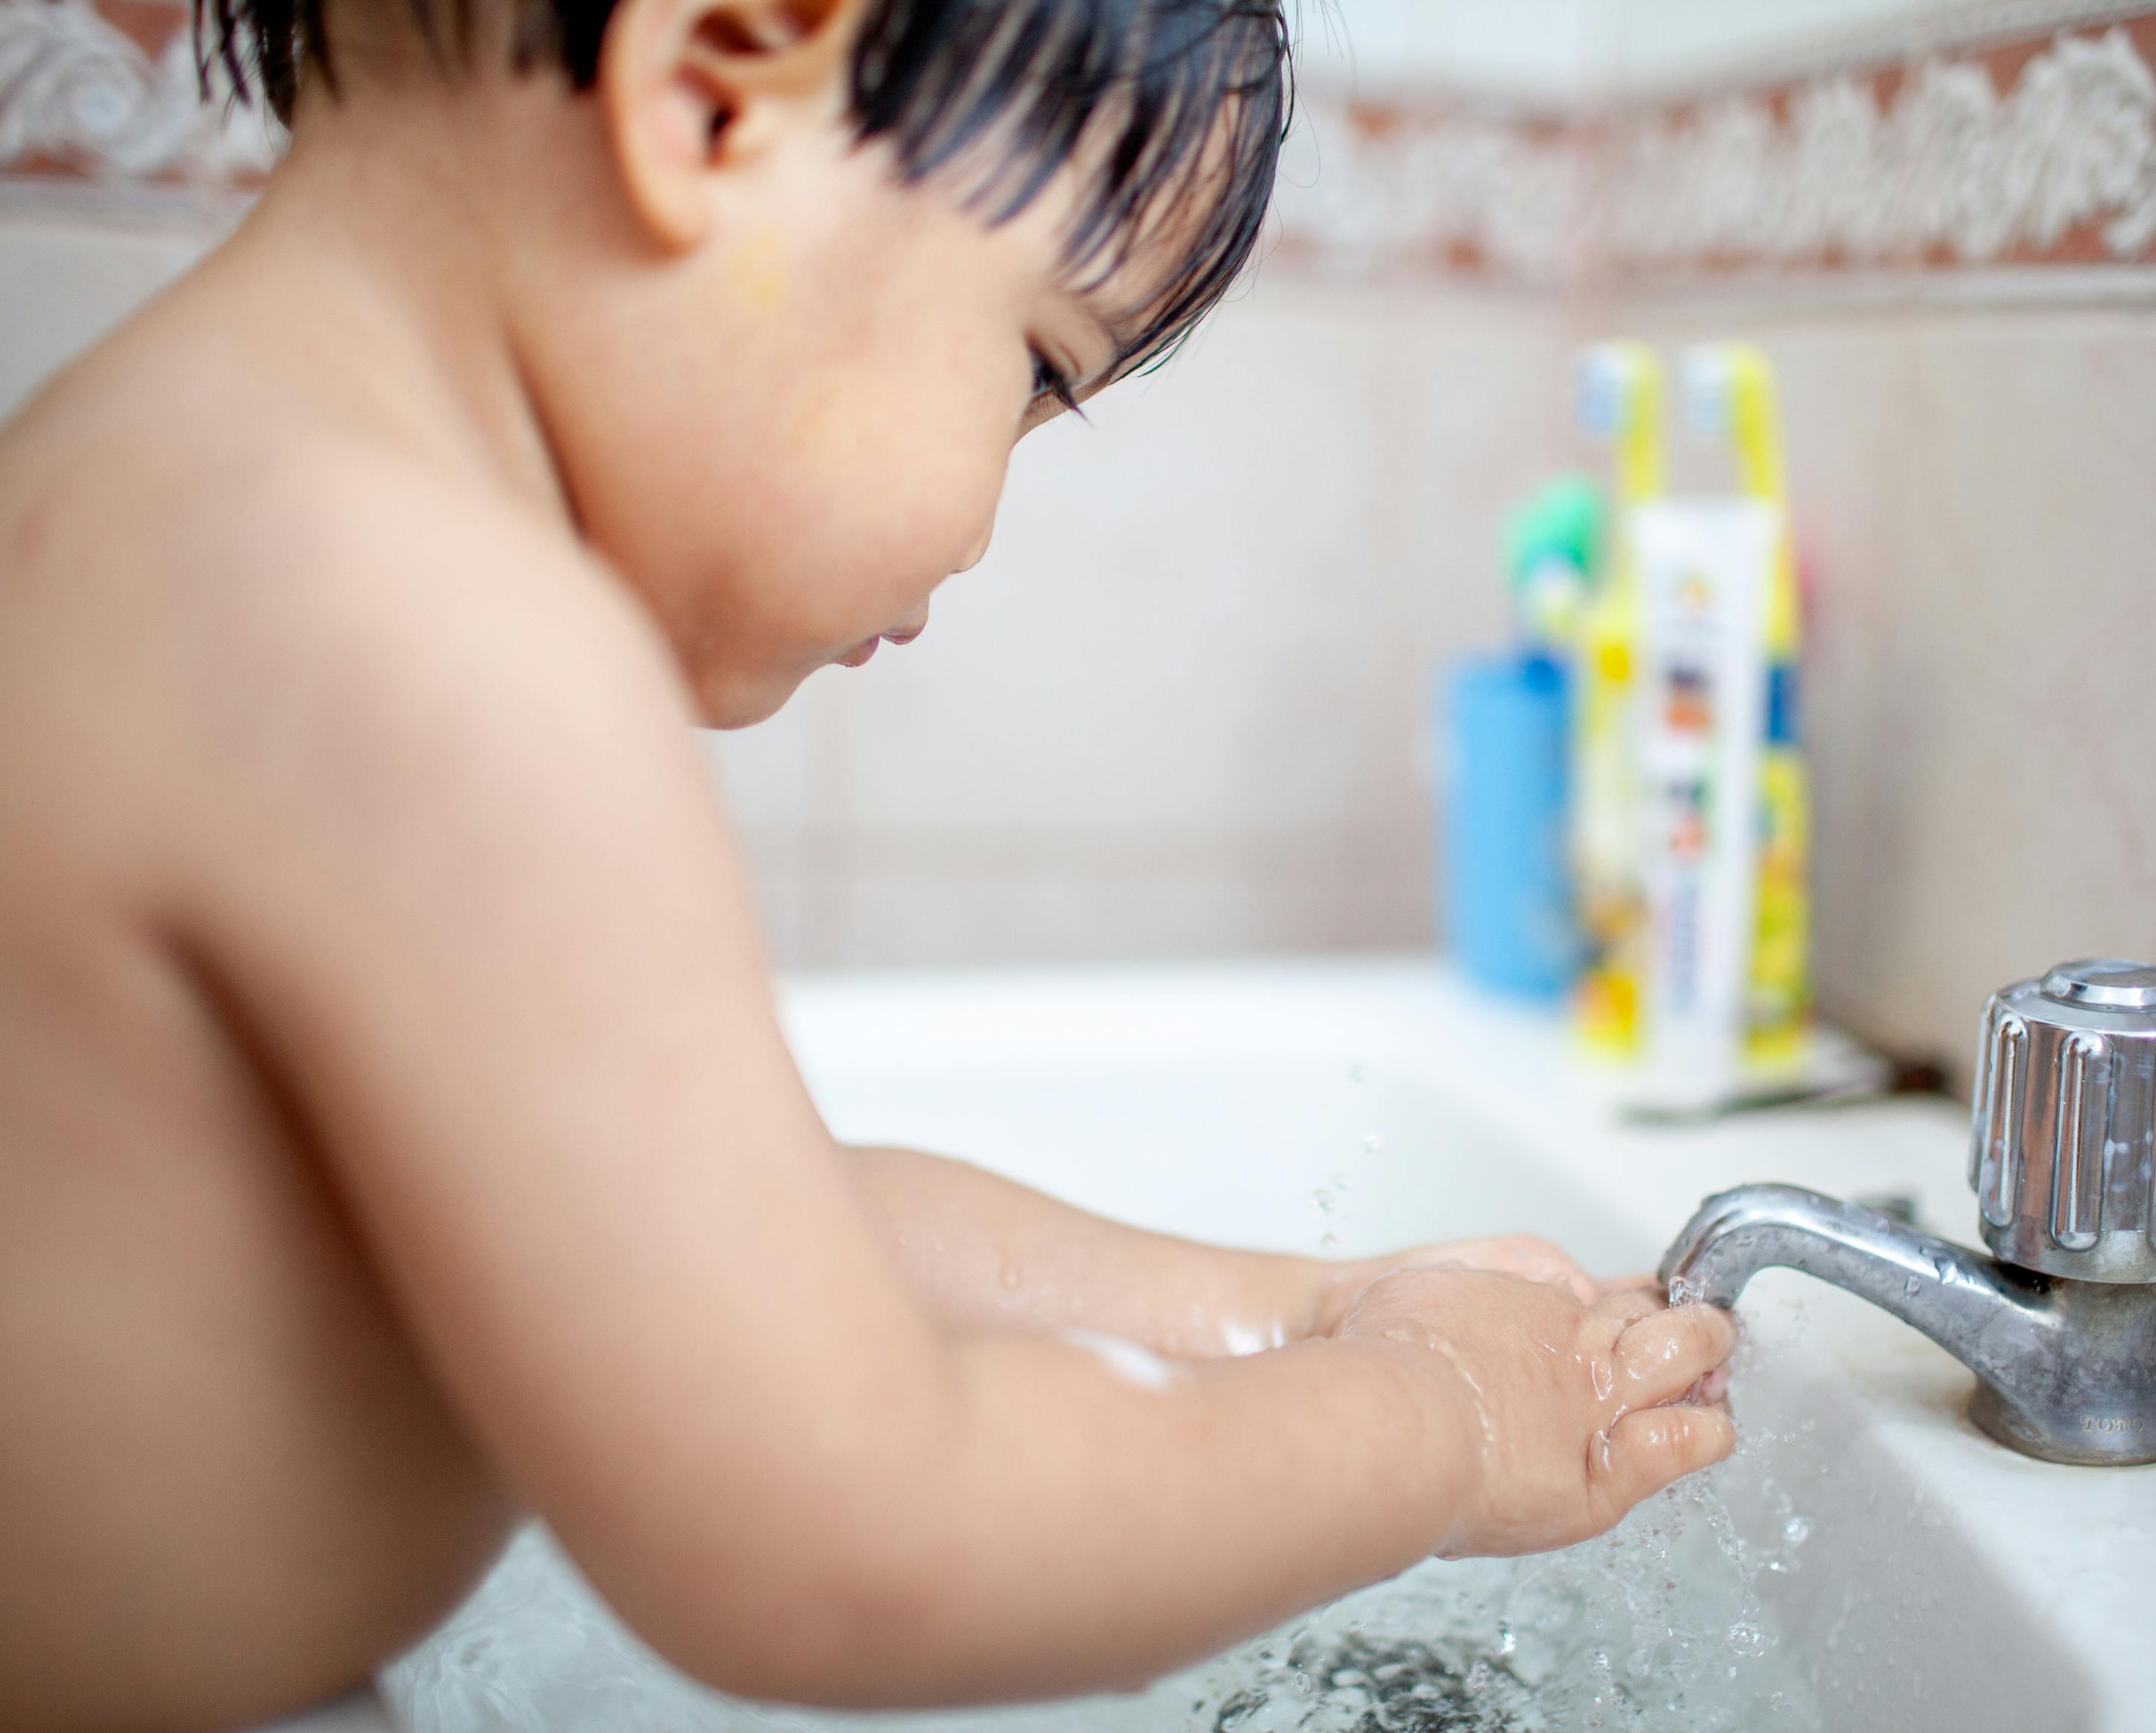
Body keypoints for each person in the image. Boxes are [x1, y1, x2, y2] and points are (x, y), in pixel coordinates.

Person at [0, 0, 1739, 1725]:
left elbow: (752, 1235)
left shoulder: (176, 488)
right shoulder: (418, 630)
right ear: (712, 94)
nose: (990, 510)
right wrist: (1431, 1422)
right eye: (1042, 367)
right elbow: (860, 1539)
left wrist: (1303, 1308)